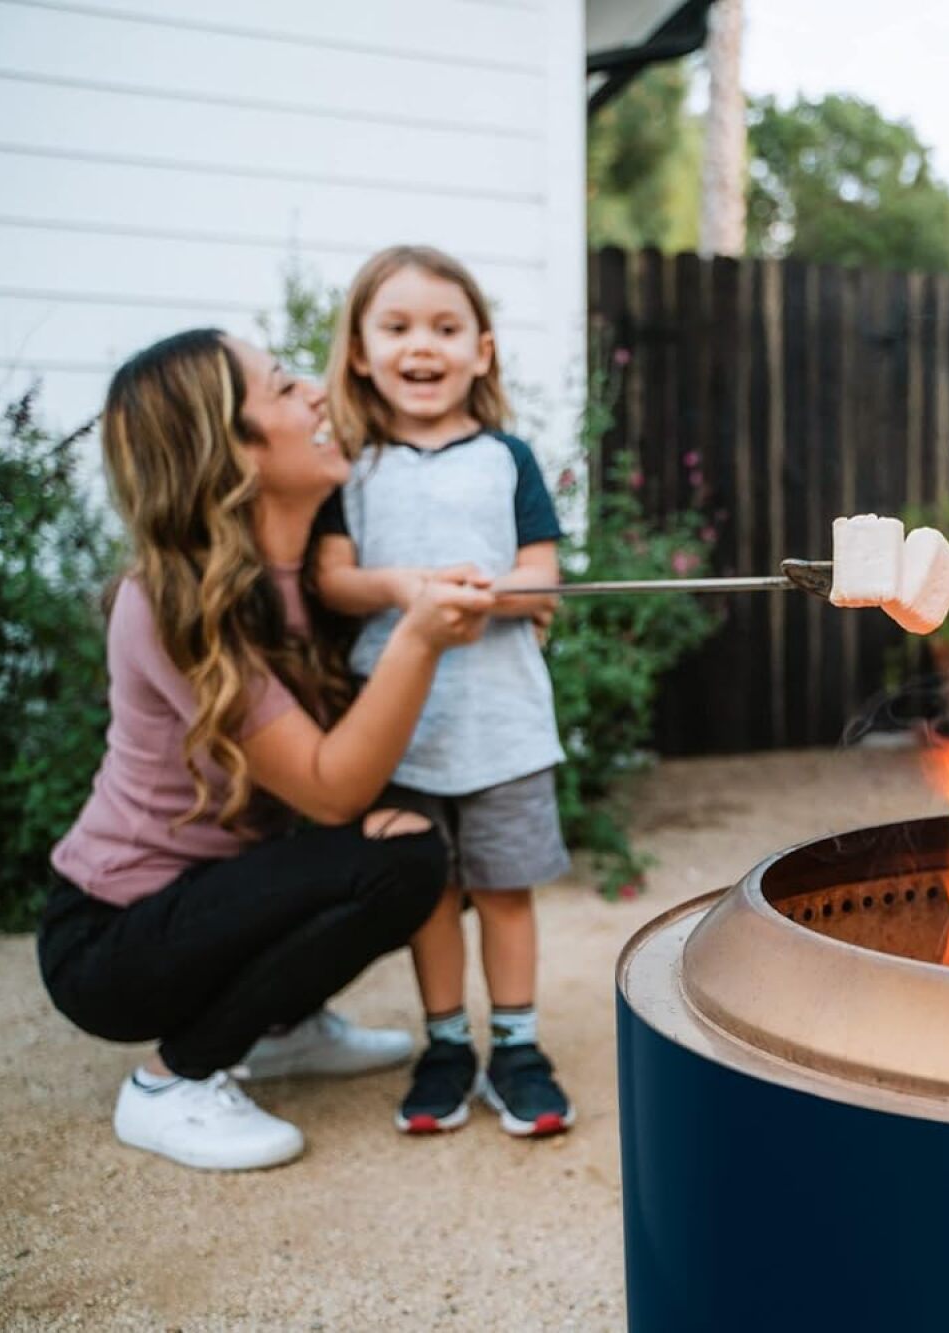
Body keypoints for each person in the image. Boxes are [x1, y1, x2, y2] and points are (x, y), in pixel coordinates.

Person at [36, 329, 497, 1172]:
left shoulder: (316, 577)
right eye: (284, 389)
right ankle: (171, 1080)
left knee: (422, 834)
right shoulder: (170, 602)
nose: (318, 393)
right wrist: (419, 638)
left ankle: (278, 1028)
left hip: (222, 889)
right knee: (400, 859)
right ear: (232, 453)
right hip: (111, 941)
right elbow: (329, 792)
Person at [315, 245, 575, 1138]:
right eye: (396, 327)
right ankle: (445, 1043)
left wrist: (491, 593)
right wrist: (403, 589)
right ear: (357, 351)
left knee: (505, 889)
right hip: (401, 732)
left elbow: (544, 577)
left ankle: (517, 1045)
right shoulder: (350, 467)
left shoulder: (507, 458)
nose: (420, 346)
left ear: (483, 350)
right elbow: (332, 578)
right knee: (428, 890)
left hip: (502, 725)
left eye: (444, 327)